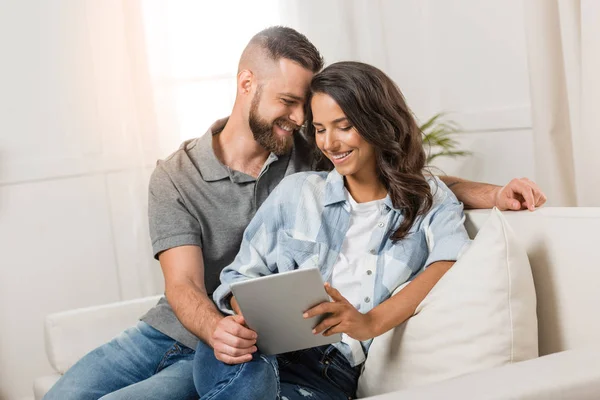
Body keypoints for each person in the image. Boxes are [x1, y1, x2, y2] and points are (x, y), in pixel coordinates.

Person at [44, 27, 546, 400]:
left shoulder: (306, 148)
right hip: (193, 329)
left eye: (314, 114)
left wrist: (497, 193)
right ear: (247, 85)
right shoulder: (179, 176)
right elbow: (186, 288)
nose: (308, 126)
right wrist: (228, 321)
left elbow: (410, 181)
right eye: (290, 103)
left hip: (291, 356)